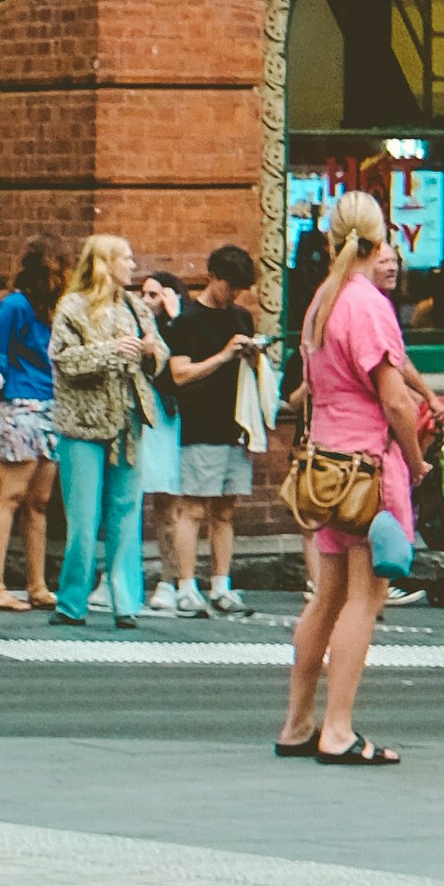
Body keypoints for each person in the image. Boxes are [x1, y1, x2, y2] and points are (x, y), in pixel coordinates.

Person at [277, 191, 435, 769]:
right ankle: (338, 730)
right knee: (364, 600)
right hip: (367, 469)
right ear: (378, 237)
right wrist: (416, 461)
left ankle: (297, 723)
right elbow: (393, 400)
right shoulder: (367, 303)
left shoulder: (323, 298)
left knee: (327, 597)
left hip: (326, 468)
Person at [49, 233, 152, 626]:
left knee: (126, 514)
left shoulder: (135, 306)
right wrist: (112, 351)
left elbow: (157, 352)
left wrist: (151, 352)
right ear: (105, 263)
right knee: (83, 518)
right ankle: (71, 602)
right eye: (126, 258)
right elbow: (62, 360)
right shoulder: (73, 306)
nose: (132, 265)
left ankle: (125, 603)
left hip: (127, 422)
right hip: (83, 425)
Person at [162, 244, 263, 616]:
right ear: (212, 277)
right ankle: (186, 586)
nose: (234, 294)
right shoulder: (186, 321)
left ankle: (222, 585)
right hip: (199, 424)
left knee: (225, 511)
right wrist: (223, 355)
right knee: (192, 508)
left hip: (235, 425)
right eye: (229, 285)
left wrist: (253, 355)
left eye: (239, 288)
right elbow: (179, 373)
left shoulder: (242, 318)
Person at [0, 236, 63, 611]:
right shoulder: (14, 306)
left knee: (40, 502)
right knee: (9, 496)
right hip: (19, 405)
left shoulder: (54, 309)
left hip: (50, 407)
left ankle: (37, 584)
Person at [129, 264, 189, 604]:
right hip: (138, 417)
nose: (146, 300)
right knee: (128, 497)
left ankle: (170, 578)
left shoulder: (178, 327)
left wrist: (175, 319)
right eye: (144, 294)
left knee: (167, 502)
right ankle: (122, 576)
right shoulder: (132, 327)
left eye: (154, 294)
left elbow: (177, 371)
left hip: (166, 419)